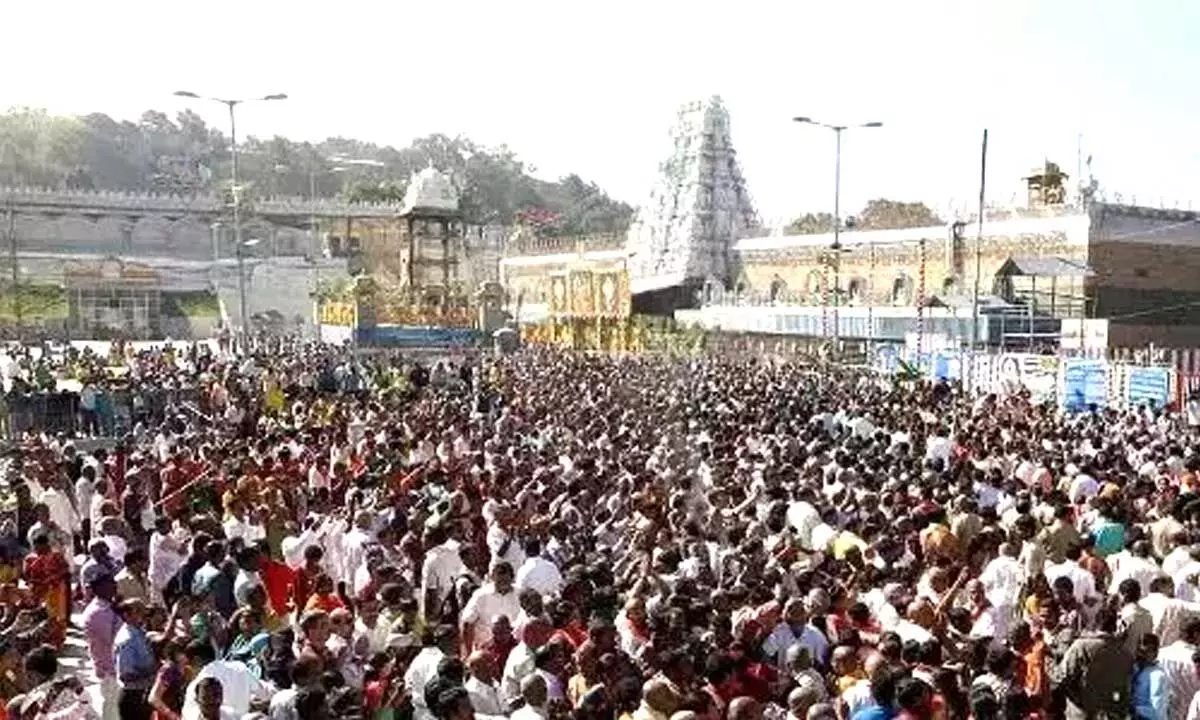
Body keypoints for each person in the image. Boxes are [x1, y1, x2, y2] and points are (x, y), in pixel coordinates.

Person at [82, 573, 122, 720]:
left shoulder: (109, 606)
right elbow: (113, 640)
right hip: (108, 668)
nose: (115, 586)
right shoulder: (97, 613)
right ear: (98, 588)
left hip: (115, 667)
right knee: (112, 709)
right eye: (110, 584)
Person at [22, 531, 70, 646]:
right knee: (38, 616)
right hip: (37, 591)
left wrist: (52, 578)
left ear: (46, 545)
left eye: (39, 547)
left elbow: (65, 572)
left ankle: (57, 642)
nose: (37, 549)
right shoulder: (30, 559)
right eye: (35, 547)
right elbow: (25, 575)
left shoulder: (56, 556)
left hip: (55, 591)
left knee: (56, 617)